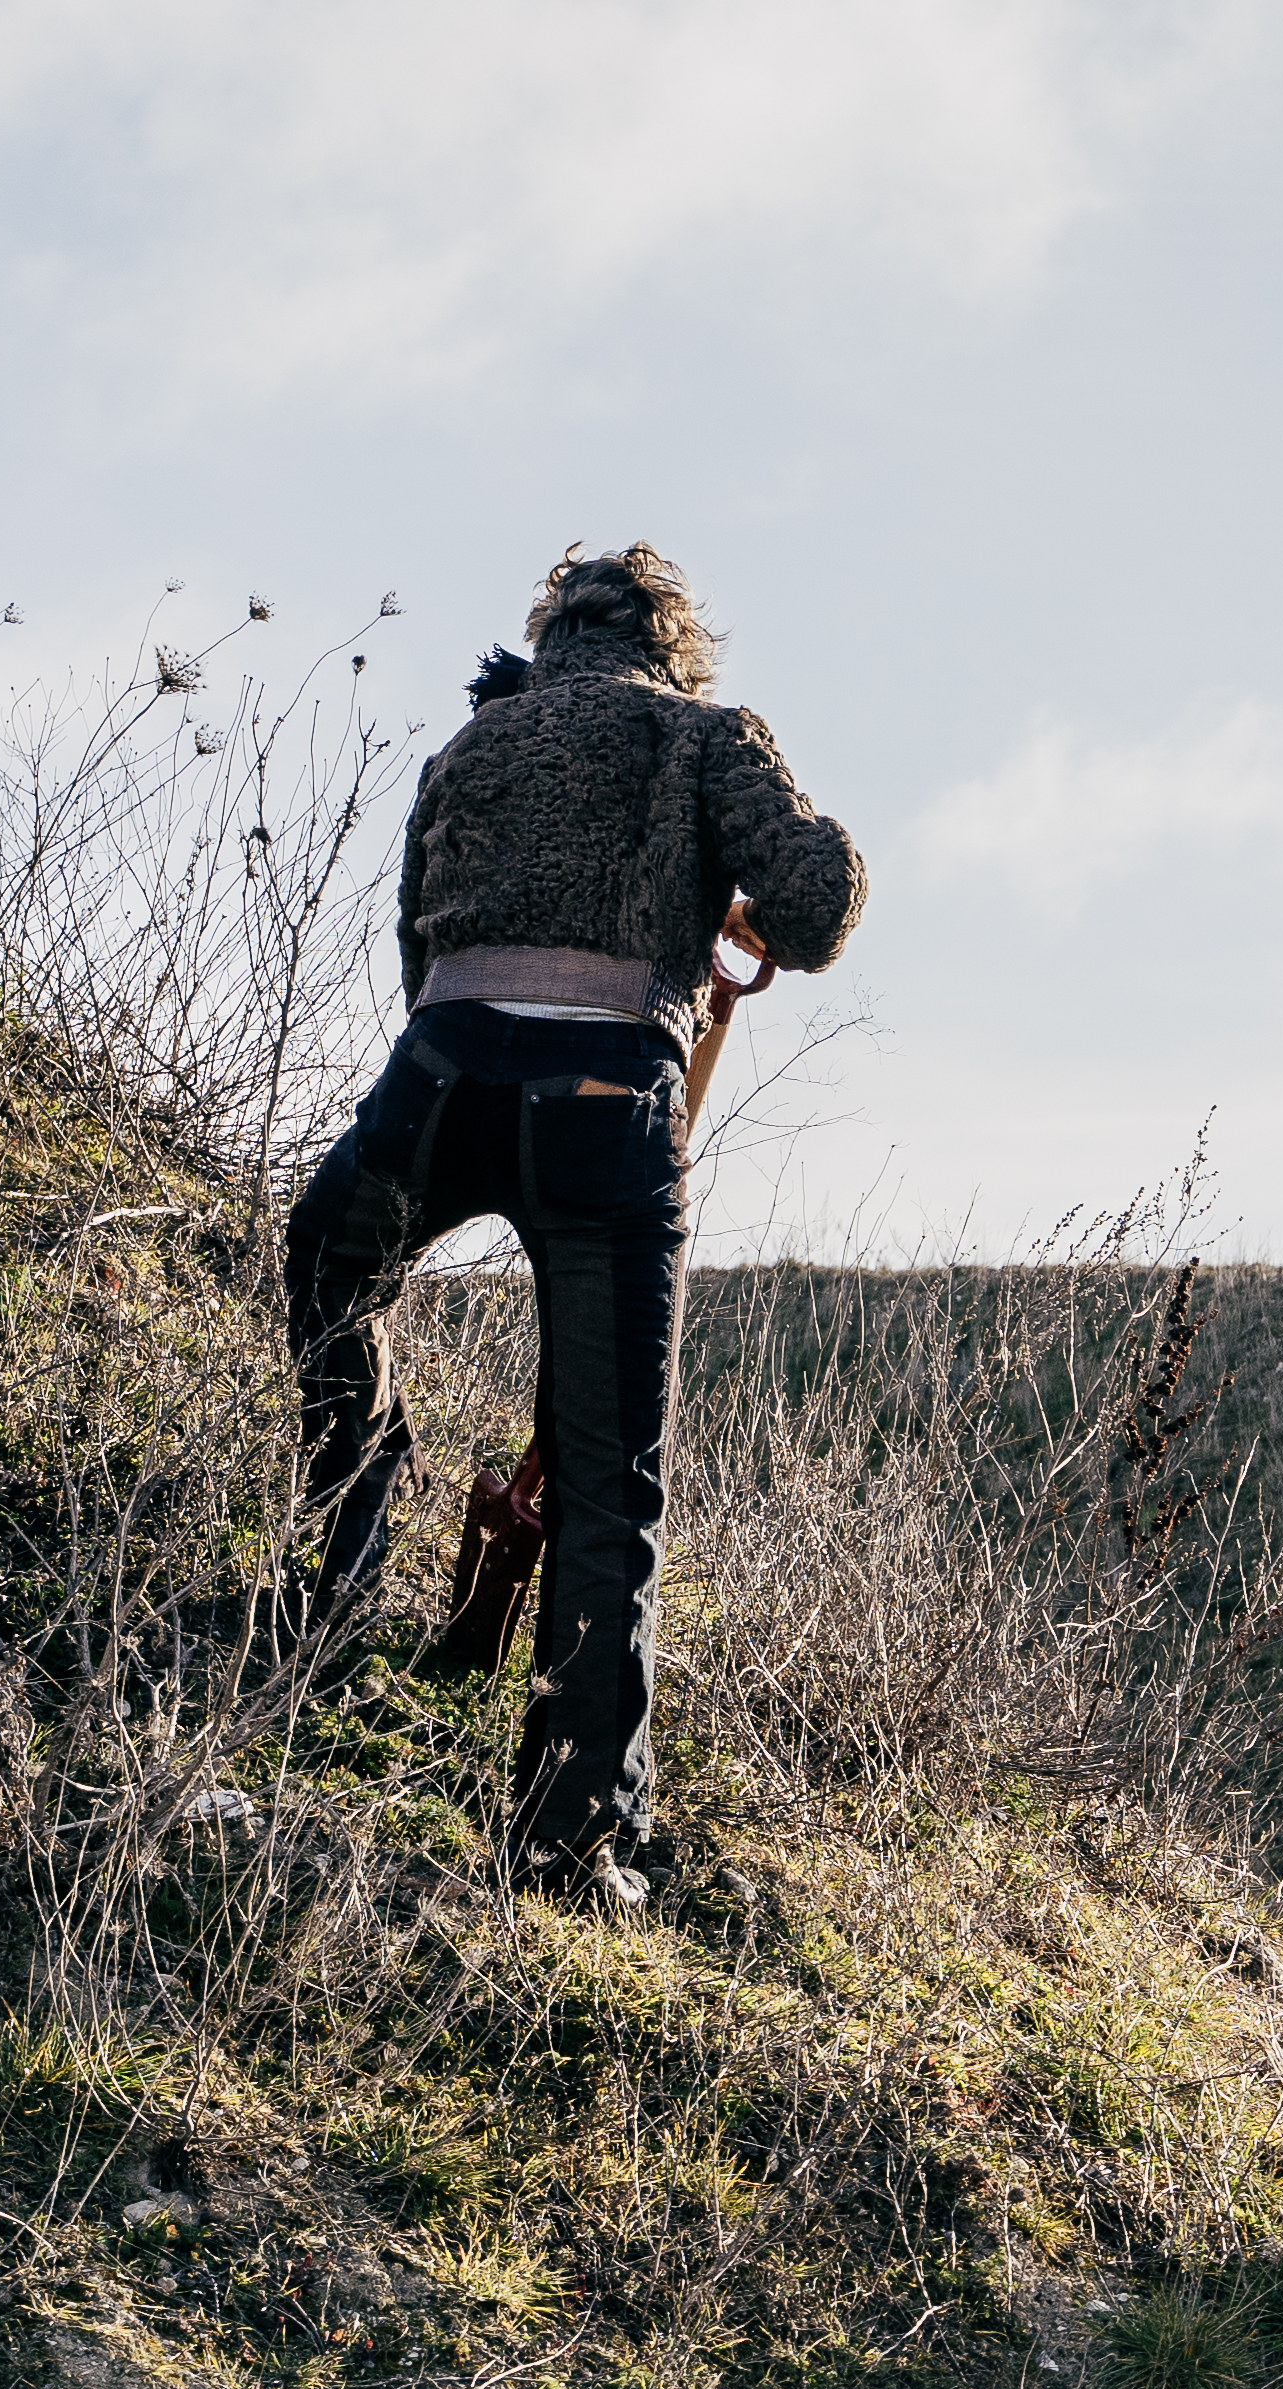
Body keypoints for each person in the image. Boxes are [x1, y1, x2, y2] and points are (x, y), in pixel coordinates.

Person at [281, 544, 867, 1911]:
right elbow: (815, 911)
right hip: (604, 1109)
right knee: (609, 1484)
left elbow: (416, 954)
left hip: (434, 1086)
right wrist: (739, 890)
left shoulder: (471, 750)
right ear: (674, 647)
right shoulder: (707, 736)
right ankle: (570, 1845)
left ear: (550, 644)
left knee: (331, 1264)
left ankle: (353, 1542)